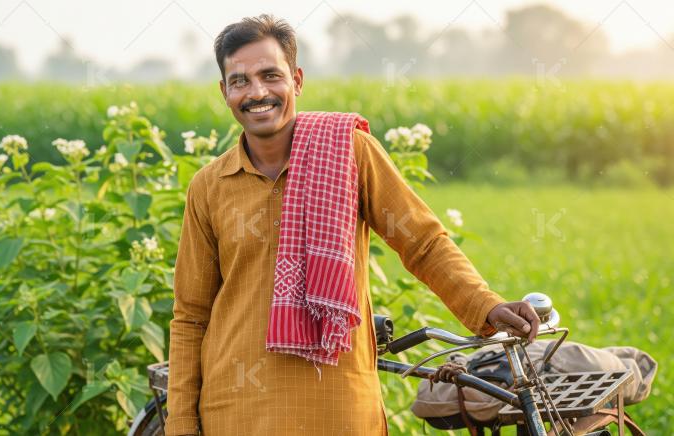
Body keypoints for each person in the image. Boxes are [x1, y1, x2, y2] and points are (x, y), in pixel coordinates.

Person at [165, 14, 540, 436]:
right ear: (224, 91)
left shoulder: (348, 153)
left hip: (338, 403)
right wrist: (180, 423)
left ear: (297, 80)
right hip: (237, 409)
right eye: (240, 81)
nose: (258, 93)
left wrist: (485, 305)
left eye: (271, 75)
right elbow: (191, 316)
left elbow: (422, 243)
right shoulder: (209, 187)